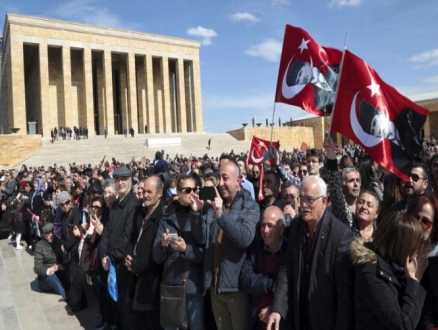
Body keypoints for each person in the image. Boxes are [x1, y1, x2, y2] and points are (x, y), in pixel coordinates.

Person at [267, 176, 355, 330]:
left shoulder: (341, 236)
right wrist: (277, 308)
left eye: (309, 199)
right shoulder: (295, 227)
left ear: (325, 202)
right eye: (301, 198)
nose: (303, 205)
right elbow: (286, 269)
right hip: (299, 319)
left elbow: (344, 298)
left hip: (326, 321)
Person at [191, 161, 260, 330]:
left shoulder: (250, 206)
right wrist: (196, 212)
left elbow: (244, 238)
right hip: (215, 288)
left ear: (238, 180)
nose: (220, 183)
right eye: (219, 178)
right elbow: (201, 239)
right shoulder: (213, 204)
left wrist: (221, 215)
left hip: (237, 289)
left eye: (225, 178)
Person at [350, 212, 428, 329]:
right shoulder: (371, 273)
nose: (418, 251)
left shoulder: (399, 269)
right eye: (415, 245)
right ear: (402, 247)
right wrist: (413, 282)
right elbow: (402, 325)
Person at [152, 174, 204, 330]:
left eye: (195, 189)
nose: (192, 193)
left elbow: (205, 253)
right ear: (179, 193)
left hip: (193, 287)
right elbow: (156, 256)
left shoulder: (201, 213)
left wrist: (185, 249)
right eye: (188, 190)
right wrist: (162, 244)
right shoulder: (167, 216)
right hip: (172, 286)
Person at [99, 166, 140, 329]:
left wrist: (109, 255)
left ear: (130, 180)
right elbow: (106, 232)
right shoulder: (115, 205)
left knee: (126, 309)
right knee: (117, 307)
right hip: (111, 263)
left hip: (122, 265)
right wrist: (103, 254)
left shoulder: (134, 205)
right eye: (117, 179)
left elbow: (127, 237)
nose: (120, 182)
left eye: (124, 179)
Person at [124, 176, 166, 329]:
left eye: (149, 191)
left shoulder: (164, 215)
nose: (145, 194)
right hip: (135, 276)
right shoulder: (141, 212)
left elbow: (157, 252)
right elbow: (132, 237)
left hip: (152, 282)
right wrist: (128, 256)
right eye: (143, 190)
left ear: (159, 193)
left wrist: (136, 264)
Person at [240, 206, 287, 330]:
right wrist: (269, 284)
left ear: (282, 229)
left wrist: (275, 308)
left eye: (270, 226)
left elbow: (290, 288)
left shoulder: (290, 252)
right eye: (262, 225)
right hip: (257, 320)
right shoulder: (256, 249)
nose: (265, 230)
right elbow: (245, 278)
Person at [34, 223, 68, 301]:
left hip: (59, 272)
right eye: (48, 233)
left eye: (52, 232)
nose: (51, 235)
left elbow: (66, 257)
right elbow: (37, 267)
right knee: (51, 277)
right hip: (46, 278)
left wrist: (61, 266)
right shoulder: (39, 246)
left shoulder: (59, 241)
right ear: (43, 235)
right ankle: (66, 296)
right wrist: (49, 270)